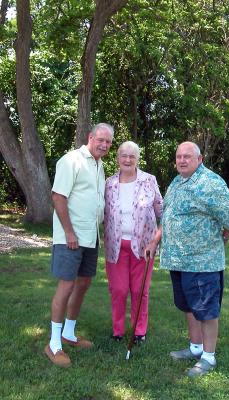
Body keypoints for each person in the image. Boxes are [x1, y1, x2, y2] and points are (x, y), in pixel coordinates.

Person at [147, 141, 229, 378]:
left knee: (206, 310)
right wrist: (155, 240)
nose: (182, 160)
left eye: (187, 156)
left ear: (199, 159)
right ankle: (195, 347)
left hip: (203, 262)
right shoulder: (177, 182)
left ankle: (209, 357)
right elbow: (168, 216)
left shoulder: (210, 183)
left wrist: (224, 238)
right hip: (178, 260)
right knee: (188, 306)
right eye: (179, 156)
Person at [44, 123, 114, 367]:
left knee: (83, 284)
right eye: (100, 140)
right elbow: (58, 196)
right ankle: (53, 344)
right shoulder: (71, 160)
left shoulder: (99, 164)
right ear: (90, 137)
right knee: (66, 286)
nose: (104, 145)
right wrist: (69, 232)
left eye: (108, 142)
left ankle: (69, 333)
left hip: (90, 236)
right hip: (70, 237)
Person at [104, 141, 163, 343]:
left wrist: (156, 239)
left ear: (138, 158)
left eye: (132, 156)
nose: (127, 160)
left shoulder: (149, 180)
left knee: (139, 290)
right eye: (123, 155)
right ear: (118, 158)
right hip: (116, 246)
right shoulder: (109, 183)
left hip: (144, 245)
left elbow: (161, 212)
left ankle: (139, 331)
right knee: (118, 290)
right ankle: (117, 330)